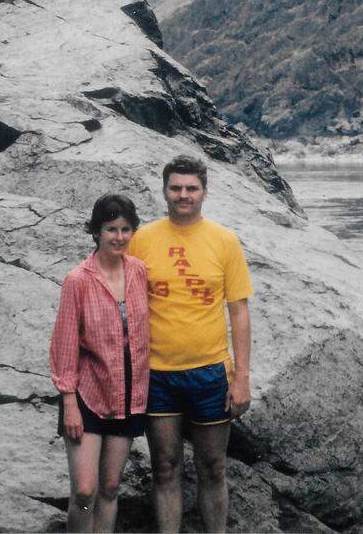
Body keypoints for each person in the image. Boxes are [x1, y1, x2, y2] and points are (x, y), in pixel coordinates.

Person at [129, 155, 253, 533]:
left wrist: (242, 377)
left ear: (204, 192)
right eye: (176, 188)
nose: (183, 195)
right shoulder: (142, 239)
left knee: (213, 466)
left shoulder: (225, 240)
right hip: (158, 375)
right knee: (164, 467)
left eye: (191, 188)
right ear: (165, 190)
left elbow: (239, 312)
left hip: (210, 372)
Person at [49, 194, 150, 533]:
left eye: (125, 229)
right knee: (84, 491)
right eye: (110, 229)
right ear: (96, 232)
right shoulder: (78, 279)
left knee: (109, 488)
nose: (118, 237)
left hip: (128, 397)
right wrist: (68, 402)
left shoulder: (139, 272)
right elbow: (64, 344)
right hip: (86, 399)